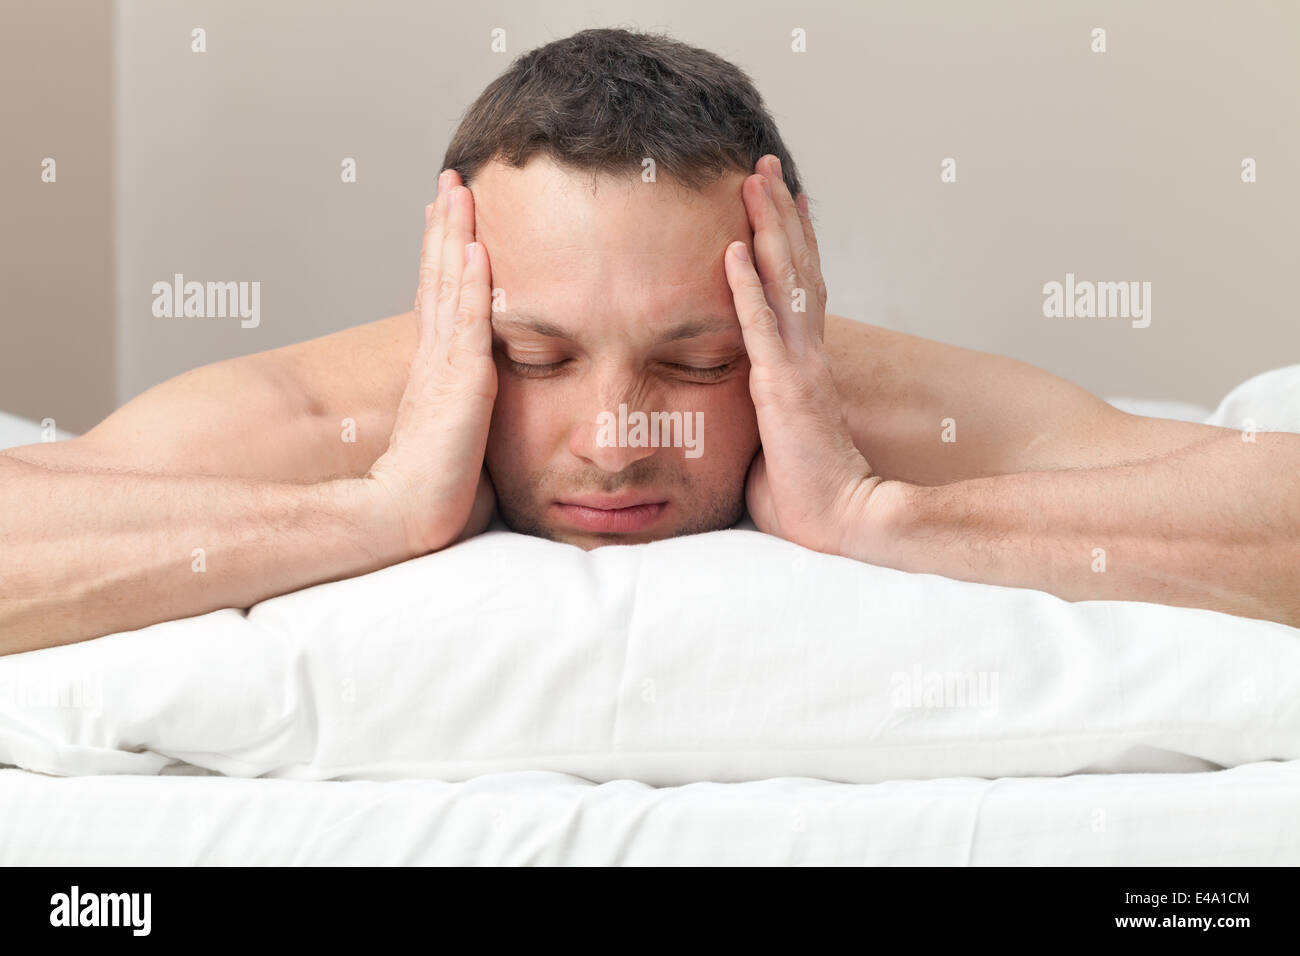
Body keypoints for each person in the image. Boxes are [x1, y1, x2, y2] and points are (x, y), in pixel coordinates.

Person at [2, 28, 1296, 655]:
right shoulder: (333, 416)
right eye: (538, 357)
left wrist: (885, 515)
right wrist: (379, 510)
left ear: (782, 307)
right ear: (454, 303)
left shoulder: (853, 403)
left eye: (693, 361)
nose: (616, 443)